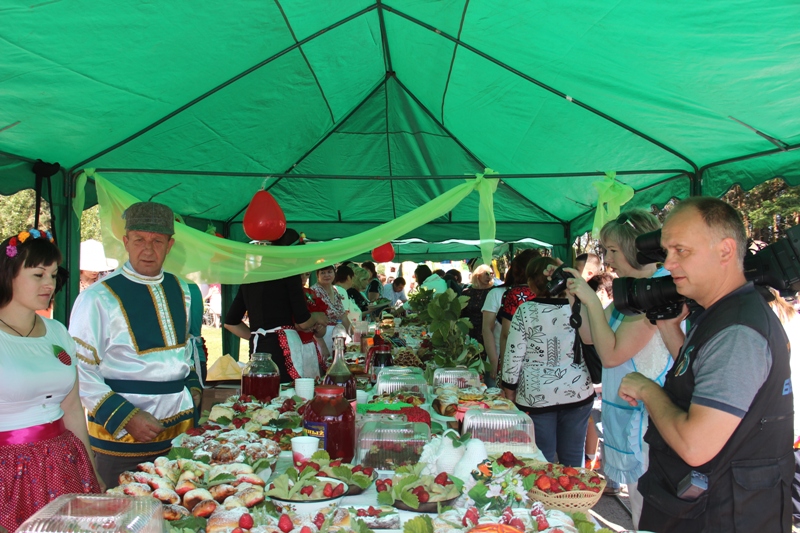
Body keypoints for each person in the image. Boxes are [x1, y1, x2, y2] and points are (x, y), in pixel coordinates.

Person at [618, 197, 792, 532]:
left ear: (726, 250)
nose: (669, 263)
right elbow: (705, 378)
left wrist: (648, 389)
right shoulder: (721, 312)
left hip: (722, 516)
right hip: (702, 508)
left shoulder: (738, 331)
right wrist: (670, 330)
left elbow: (695, 446)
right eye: (667, 251)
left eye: (681, 251)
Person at [69, 202, 203, 489]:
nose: (148, 249)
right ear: (126, 242)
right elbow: (79, 370)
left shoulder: (184, 291)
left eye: (157, 241)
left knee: (177, 514)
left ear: (170, 245)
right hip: (121, 438)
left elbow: (185, 352)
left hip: (179, 434)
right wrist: (126, 417)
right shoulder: (97, 298)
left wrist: (193, 389)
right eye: (140, 240)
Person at [559, 210, 672, 525]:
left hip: (653, 424)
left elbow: (612, 355)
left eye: (612, 250)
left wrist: (592, 302)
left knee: (648, 514)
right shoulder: (630, 292)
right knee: (640, 511)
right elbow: (590, 337)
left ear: (637, 247)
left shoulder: (658, 293)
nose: (607, 260)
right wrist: (576, 302)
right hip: (632, 416)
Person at [0, 230, 102, 531]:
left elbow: (72, 408)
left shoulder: (57, 331)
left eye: (54, 275)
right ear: (9, 274)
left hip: (64, 463)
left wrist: (93, 472)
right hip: (9, 471)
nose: (49, 284)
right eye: (38, 274)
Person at [501, 256, 594, 467]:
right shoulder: (578, 307)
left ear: (532, 283)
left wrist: (509, 389)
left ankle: (544, 499)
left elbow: (514, 353)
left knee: (542, 459)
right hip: (578, 390)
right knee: (572, 457)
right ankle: (573, 498)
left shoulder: (526, 310)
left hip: (537, 395)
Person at [225, 229, 328, 383]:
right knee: (285, 394)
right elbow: (303, 321)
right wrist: (318, 316)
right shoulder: (289, 275)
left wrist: (257, 335)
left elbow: (230, 322)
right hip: (283, 348)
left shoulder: (251, 276)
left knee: (260, 392)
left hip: (258, 349)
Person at [497, 249, 541, 374]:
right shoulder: (558, 293)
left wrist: (505, 371)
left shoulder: (514, 294)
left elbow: (506, 335)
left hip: (519, 361)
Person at [461, 264, 493, 374]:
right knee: (472, 360)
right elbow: (461, 313)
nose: (489, 276)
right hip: (471, 332)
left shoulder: (494, 292)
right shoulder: (467, 292)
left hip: (489, 330)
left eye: (491, 274)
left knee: (488, 361)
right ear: (478, 275)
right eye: (486, 274)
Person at [311, 265, 350, 353]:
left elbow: (343, 317)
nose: (327, 275)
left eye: (329, 272)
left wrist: (355, 335)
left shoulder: (335, 290)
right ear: (317, 275)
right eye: (323, 273)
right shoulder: (313, 291)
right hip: (321, 338)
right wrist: (323, 346)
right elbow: (313, 323)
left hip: (337, 337)